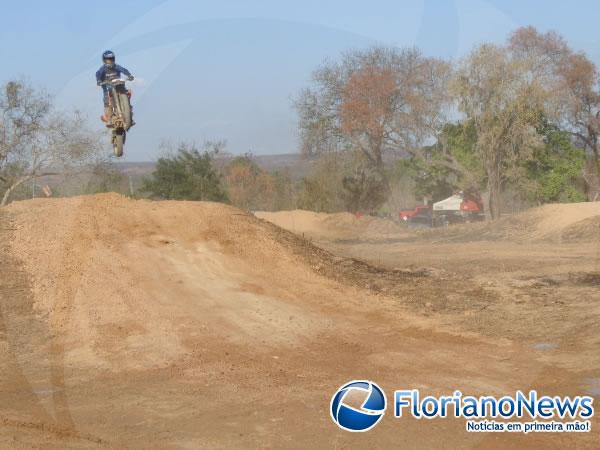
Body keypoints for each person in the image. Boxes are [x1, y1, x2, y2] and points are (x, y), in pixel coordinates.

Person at [95, 50, 134, 124]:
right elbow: (98, 74)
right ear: (104, 60)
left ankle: (129, 113)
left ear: (114, 59)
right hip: (107, 86)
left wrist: (129, 75)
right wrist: (99, 80)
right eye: (108, 59)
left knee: (127, 93)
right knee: (107, 99)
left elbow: (123, 70)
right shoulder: (102, 69)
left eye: (111, 59)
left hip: (118, 84)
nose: (110, 61)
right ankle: (108, 117)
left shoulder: (116, 66)